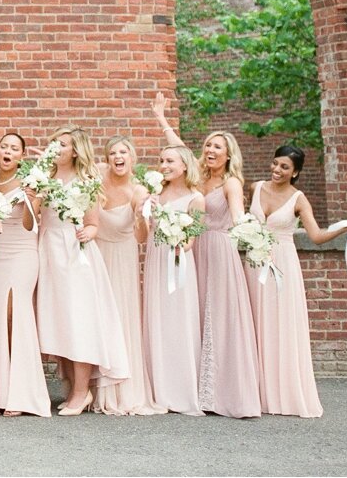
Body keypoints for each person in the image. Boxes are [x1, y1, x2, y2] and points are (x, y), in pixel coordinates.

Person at [152, 92, 261, 418]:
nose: (210, 151)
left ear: (229, 155)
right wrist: (161, 119)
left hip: (221, 250)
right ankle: (200, 390)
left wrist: (257, 238)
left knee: (220, 316)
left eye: (217, 147)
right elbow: (178, 148)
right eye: (208, 146)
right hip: (196, 250)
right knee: (199, 315)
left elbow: (239, 217)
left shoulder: (230, 183)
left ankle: (227, 395)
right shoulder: (197, 175)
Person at [246, 145, 347, 417]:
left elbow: (317, 236)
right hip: (253, 263)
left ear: (295, 172)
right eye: (275, 163)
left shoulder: (298, 199)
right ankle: (253, 393)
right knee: (253, 324)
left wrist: (346, 226)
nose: (277, 170)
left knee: (279, 325)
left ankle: (282, 393)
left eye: (284, 167)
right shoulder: (255, 187)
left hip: (282, 264)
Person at [35, 126, 129, 414]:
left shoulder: (86, 180)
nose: (56, 148)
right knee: (58, 321)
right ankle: (69, 386)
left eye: (62, 144)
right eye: (54, 143)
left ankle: (82, 392)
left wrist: (89, 231)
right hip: (48, 249)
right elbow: (37, 210)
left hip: (75, 252)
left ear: (75, 150)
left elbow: (92, 222)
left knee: (79, 322)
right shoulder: (46, 177)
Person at [91, 136, 159, 416]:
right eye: (112, 153)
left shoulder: (138, 191)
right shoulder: (96, 176)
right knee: (96, 317)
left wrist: (143, 217)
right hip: (96, 255)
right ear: (107, 159)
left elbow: (142, 238)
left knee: (119, 316)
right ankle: (92, 388)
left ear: (132, 158)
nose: (118, 157)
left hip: (122, 258)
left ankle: (120, 389)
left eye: (123, 152)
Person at [139, 144, 205, 415]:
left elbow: (194, 236)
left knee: (179, 319)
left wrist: (181, 243)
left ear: (185, 165)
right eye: (161, 160)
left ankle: (181, 389)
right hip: (155, 260)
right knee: (157, 319)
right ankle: (157, 390)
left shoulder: (196, 198)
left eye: (170, 161)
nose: (164, 165)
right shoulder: (154, 193)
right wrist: (144, 210)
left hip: (178, 263)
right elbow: (143, 233)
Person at [0, 132, 49, 417]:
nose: (7, 151)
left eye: (14, 148)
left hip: (22, 253)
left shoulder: (30, 183)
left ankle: (22, 394)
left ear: (22, 156)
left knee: (15, 314)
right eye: (3, 146)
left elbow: (29, 225)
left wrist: (30, 199)